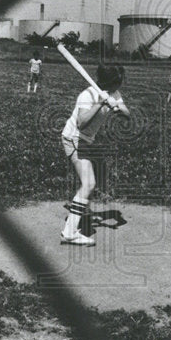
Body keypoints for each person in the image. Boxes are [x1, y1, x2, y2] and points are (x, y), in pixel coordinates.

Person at [60, 64, 130, 245]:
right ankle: (70, 232)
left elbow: (127, 114)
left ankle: (82, 209)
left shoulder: (114, 93)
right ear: (113, 81)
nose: (122, 82)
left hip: (87, 141)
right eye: (120, 80)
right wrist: (100, 103)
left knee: (96, 177)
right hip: (74, 138)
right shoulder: (88, 95)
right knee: (89, 183)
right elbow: (81, 123)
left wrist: (117, 108)